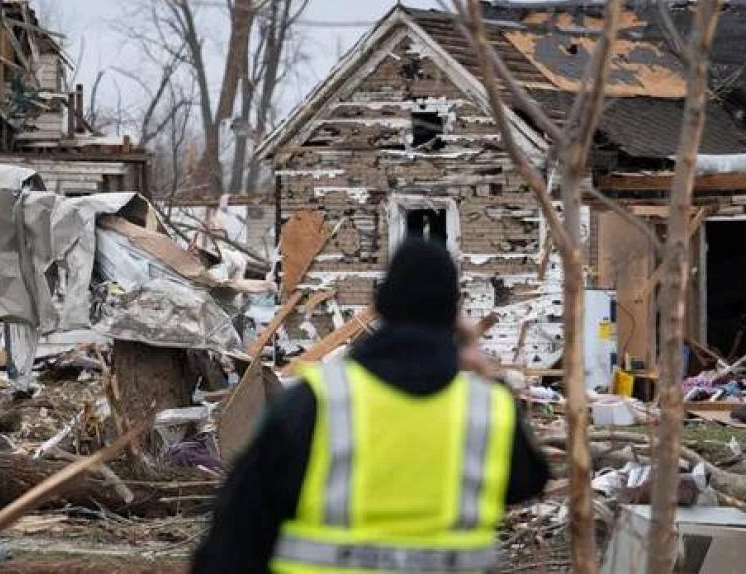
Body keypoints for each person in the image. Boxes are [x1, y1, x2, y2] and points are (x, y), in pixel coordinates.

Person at [192, 240, 549, 573]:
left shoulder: (317, 402)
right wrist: (485, 371)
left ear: (384, 304)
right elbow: (529, 482)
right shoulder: (486, 410)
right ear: (454, 314)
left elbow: (236, 534)